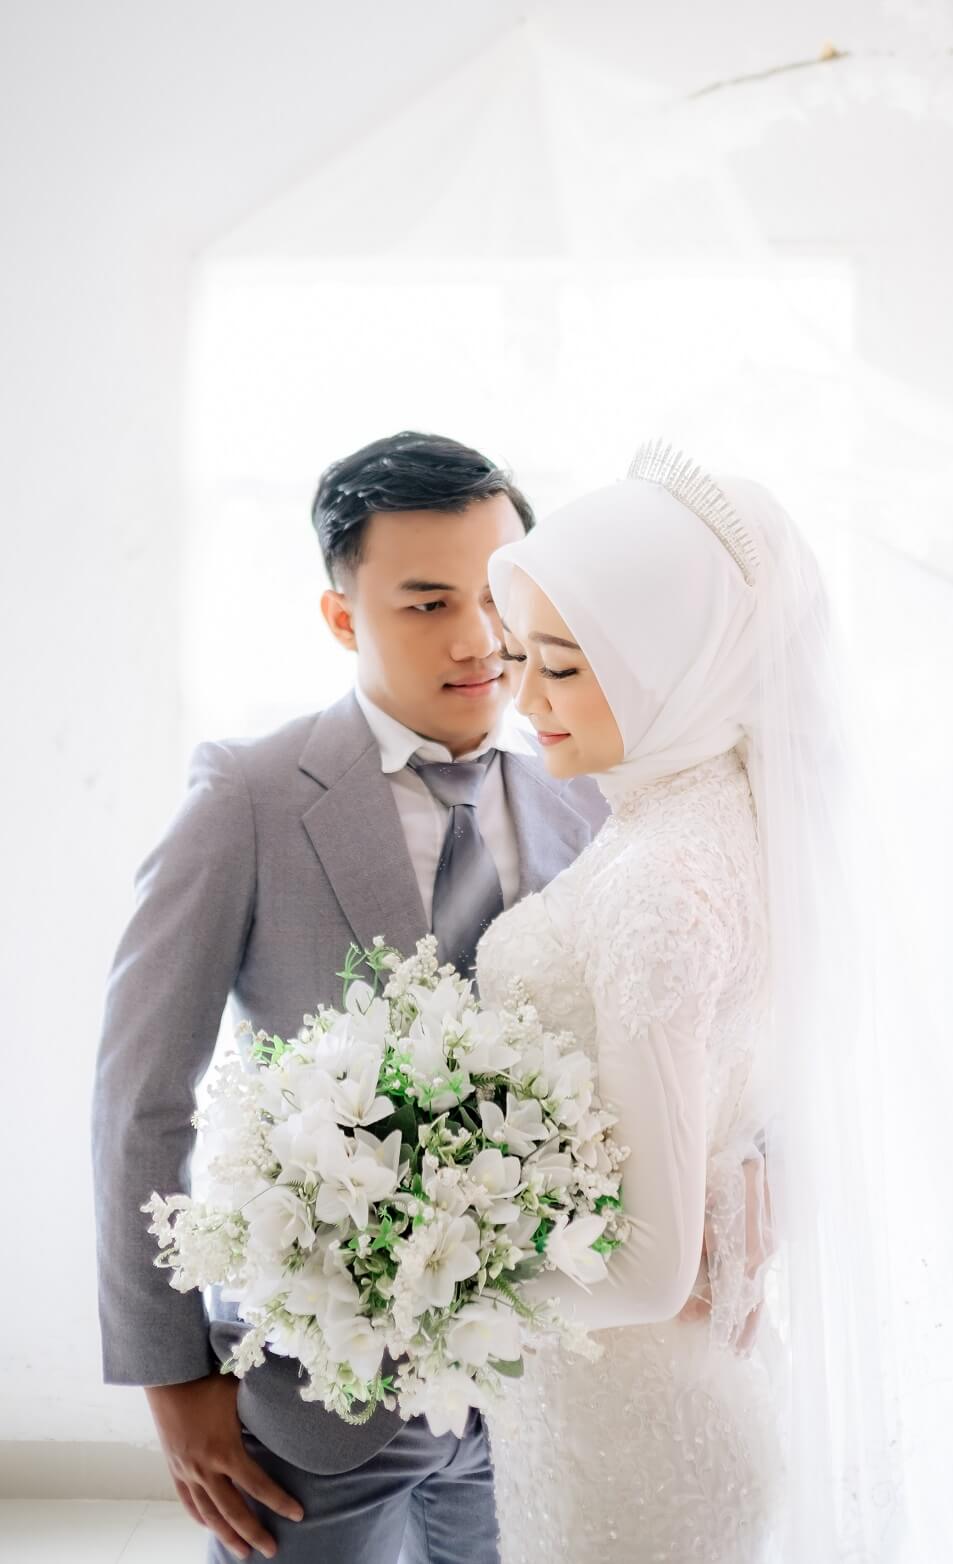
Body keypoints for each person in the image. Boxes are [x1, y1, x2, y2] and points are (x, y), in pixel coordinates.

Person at [90, 431, 609, 1564]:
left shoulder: (585, 801)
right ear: (341, 617)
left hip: (537, 1391)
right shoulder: (248, 796)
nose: (478, 638)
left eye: (497, 594)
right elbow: (141, 1095)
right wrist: (173, 1377)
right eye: (427, 604)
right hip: (317, 1396)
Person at [474, 440, 898, 1561]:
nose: (522, 698)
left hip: (629, 1438)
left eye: (561, 668)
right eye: (521, 657)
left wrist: (436, 1289)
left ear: (670, 668)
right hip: (642, 1401)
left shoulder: (659, 877)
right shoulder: (716, 817)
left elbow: (653, 1272)